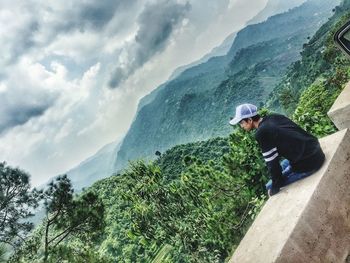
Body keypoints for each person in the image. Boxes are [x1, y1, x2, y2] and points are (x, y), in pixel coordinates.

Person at [229, 103, 325, 196]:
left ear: (249, 120)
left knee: (269, 186)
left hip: (310, 164)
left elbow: (272, 164)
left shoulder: (261, 133)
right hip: (316, 151)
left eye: (242, 122)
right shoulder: (273, 117)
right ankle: (290, 168)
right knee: (283, 165)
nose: (241, 126)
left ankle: (290, 171)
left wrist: (274, 189)